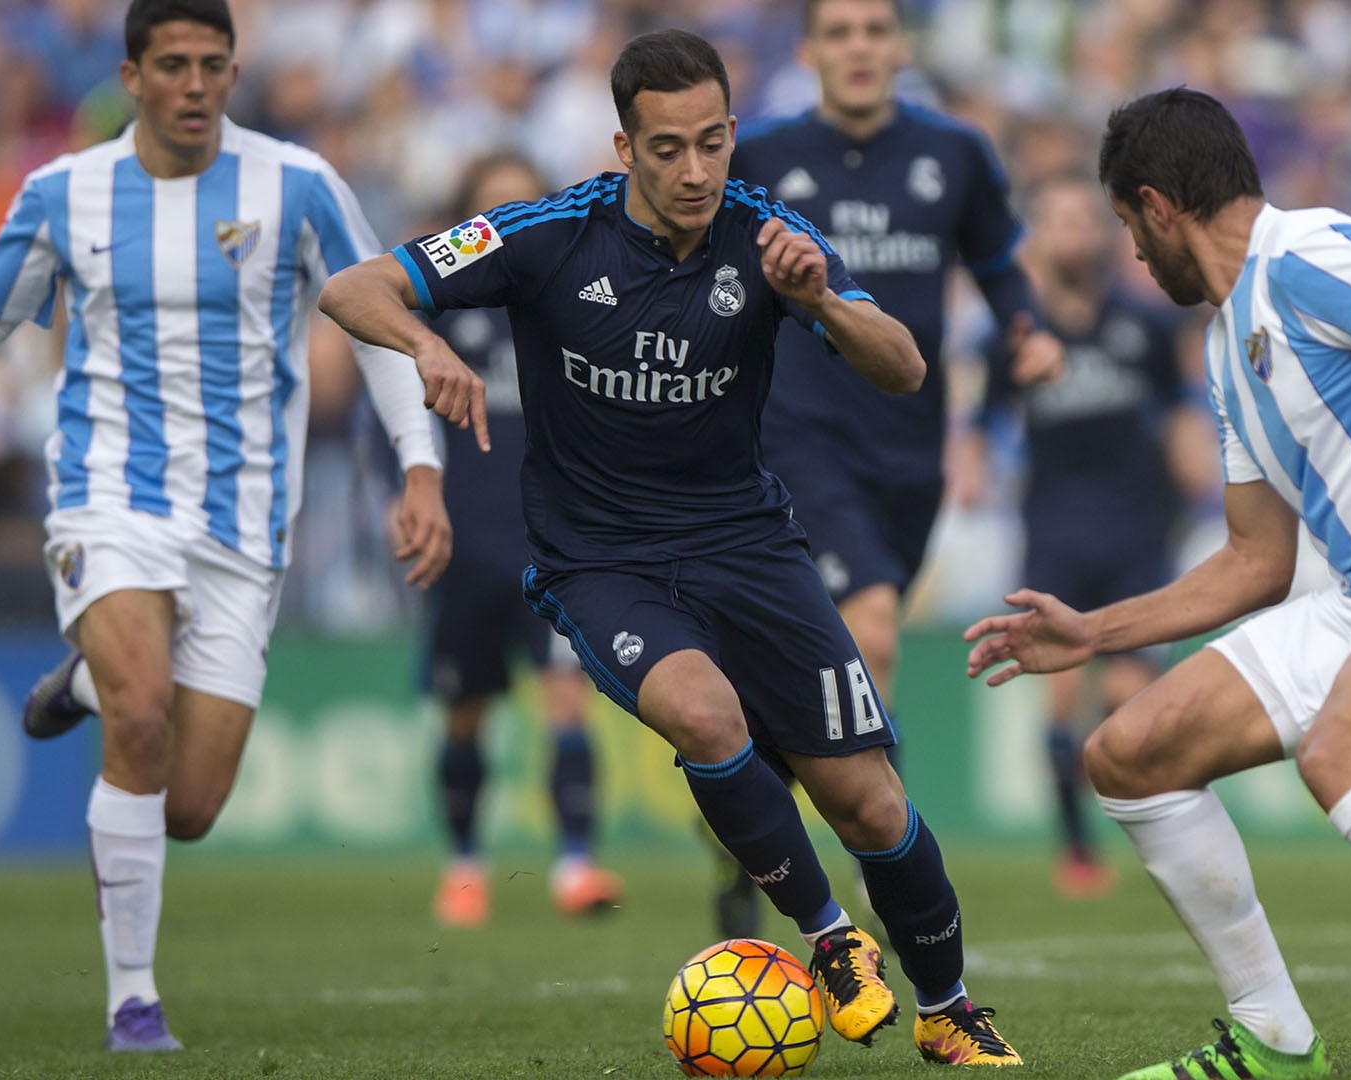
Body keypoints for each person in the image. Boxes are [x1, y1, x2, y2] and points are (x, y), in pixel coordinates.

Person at [320, 28, 1024, 1068]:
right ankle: (832, 942)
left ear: (733, 134)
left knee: (869, 800)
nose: (694, 172)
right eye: (666, 149)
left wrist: (821, 297)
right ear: (623, 147)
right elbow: (353, 287)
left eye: (710, 144)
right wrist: (426, 343)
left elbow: (908, 366)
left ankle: (948, 1009)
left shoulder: (772, 233)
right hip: (601, 563)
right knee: (705, 711)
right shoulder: (545, 233)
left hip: (750, 546)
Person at [0, 0, 477, 1053]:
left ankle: (81, 683)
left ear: (234, 71)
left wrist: (421, 471)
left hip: (246, 525)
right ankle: (132, 999)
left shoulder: (296, 184)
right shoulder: (62, 193)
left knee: (192, 802)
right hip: (107, 495)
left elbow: (384, 331)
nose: (197, 85)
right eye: (174, 65)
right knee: (144, 718)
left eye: (214, 64)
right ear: (132, 73)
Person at [966, 88, 1351, 1080]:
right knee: (1129, 752)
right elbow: (1255, 562)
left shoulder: (1308, 255)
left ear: (1157, 206)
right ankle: (1273, 1041)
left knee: (1343, 751)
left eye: (1132, 226)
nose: (1133, 252)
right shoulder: (1226, 345)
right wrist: (1093, 634)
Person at [717, 0, 1063, 937]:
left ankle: (743, 822)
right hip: (794, 434)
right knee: (869, 635)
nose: (861, 47)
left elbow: (999, 266)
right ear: (810, 51)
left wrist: (1028, 332)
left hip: (910, 447)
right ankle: (890, 860)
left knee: (799, 675)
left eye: (876, 29)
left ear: (900, 46)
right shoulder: (760, 160)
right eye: (841, 32)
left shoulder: (955, 153)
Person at [964, 172, 1207, 899]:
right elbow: (980, 426)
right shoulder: (1013, 337)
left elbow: (1180, 412)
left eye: (1086, 220)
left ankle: (1151, 837)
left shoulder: (1148, 327)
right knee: (1062, 701)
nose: (1076, 234)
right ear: (1037, 236)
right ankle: (1076, 849)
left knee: (1131, 706)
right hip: (1056, 535)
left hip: (1138, 533)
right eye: (1060, 221)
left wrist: (1196, 464)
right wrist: (968, 467)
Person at [416, 151, 623, 928]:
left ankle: (576, 863)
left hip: (553, 541)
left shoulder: (568, 304)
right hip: (465, 544)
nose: (501, 226)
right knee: (464, 709)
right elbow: (397, 425)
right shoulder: (439, 318)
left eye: (518, 208)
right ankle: (464, 864)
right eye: (487, 212)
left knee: (567, 699)